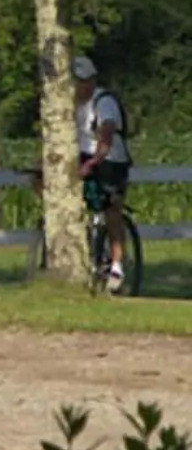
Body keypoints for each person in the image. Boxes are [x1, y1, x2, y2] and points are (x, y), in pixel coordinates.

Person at [74, 54, 132, 292]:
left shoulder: (103, 102)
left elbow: (106, 133)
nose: (78, 86)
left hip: (110, 159)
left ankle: (117, 265)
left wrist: (94, 161)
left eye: (83, 81)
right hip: (82, 154)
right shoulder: (68, 105)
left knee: (111, 210)